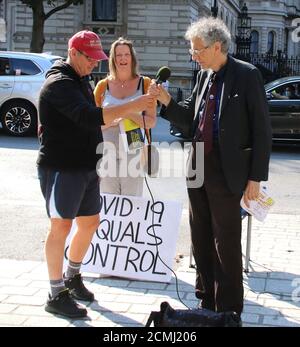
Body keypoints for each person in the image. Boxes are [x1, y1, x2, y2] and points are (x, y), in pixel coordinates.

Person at [149, 17, 272, 322]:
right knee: (200, 235)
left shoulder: (246, 75)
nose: (194, 55)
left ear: (217, 46)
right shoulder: (203, 75)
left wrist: (255, 177)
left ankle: (229, 309)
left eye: (198, 50)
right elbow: (190, 120)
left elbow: (262, 130)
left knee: (225, 240)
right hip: (197, 166)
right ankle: (205, 301)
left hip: (228, 171)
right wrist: (165, 101)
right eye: (192, 51)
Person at [37, 30, 154, 318]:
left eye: (97, 59)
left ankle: (72, 276)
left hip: (87, 166)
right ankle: (56, 293)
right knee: (60, 227)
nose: (94, 64)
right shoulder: (59, 83)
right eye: (89, 58)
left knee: (90, 222)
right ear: (74, 53)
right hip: (62, 167)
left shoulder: (81, 80)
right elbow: (91, 117)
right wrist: (135, 106)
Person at [94, 37, 156, 196]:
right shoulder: (102, 86)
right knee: (108, 201)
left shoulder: (146, 84)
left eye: (126, 54)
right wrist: (117, 117)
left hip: (134, 147)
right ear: (113, 59)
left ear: (132, 58)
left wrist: (126, 112)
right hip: (107, 149)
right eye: (118, 55)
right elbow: (93, 122)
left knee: (132, 201)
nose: (122, 58)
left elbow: (150, 122)